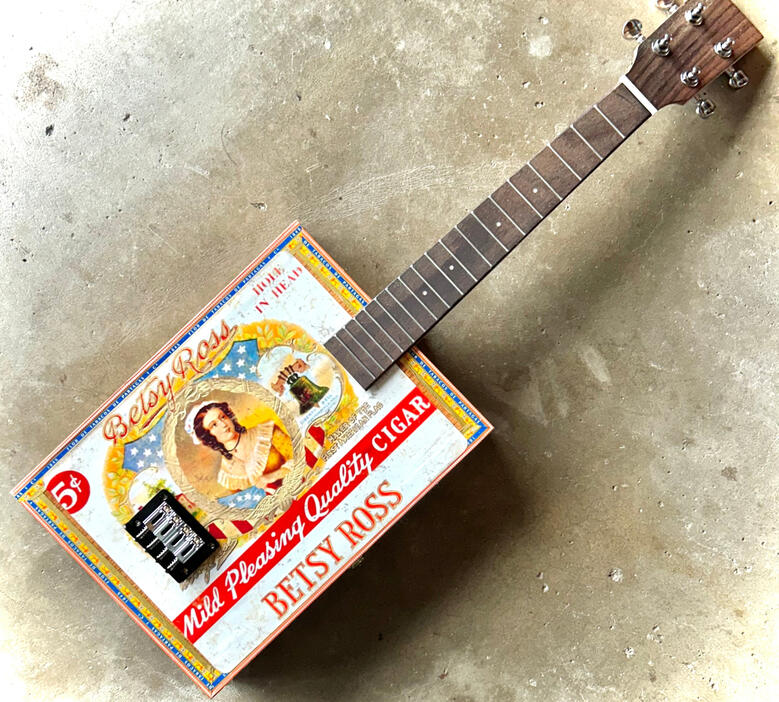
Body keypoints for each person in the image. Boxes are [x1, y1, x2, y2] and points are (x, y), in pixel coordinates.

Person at [187, 401, 290, 493]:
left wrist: (272, 477)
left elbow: (300, 456)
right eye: (214, 425)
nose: (223, 424)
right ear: (208, 435)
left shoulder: (266, 432)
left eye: (222, 417)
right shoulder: (226, 473)